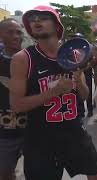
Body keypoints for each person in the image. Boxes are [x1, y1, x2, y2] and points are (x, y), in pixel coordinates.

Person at [9, 5, 97, 180]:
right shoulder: (22, 59)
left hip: (74, 133)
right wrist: (55, 91)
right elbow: (16, 105)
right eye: (33, 18)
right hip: (40, 140)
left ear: (56, 25)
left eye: (43, 17)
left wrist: (79, 79)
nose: (36, 20)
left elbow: (83, 95)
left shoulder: (73, 54)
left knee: (96, 176)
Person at [0, 18, 26, 180]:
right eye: (10, 32)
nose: (16, 36)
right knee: (5, 173)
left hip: (32, 129)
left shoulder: (29, 61)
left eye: (19, 32)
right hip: (5, 132)